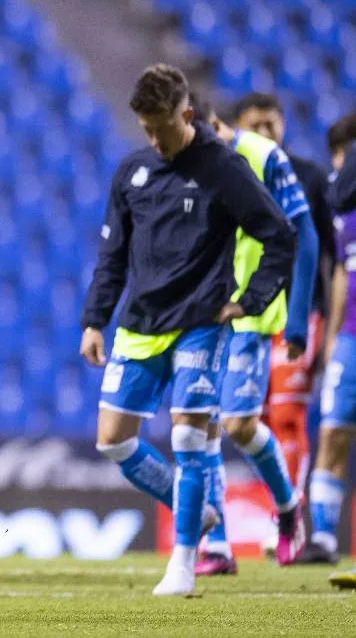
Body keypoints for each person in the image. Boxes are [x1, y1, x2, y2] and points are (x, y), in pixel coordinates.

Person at [80, 64, 295, 596]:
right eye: (146, 129)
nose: (155, 140)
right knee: (112, 441)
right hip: (141, 322)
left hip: (202, 321)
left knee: (187, 435)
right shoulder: (133, 170)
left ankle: (182, 563)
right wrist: (94, 320)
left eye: (163, 128)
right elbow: (112, 255)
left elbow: (279, 233)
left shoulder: (223, 168)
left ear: (188, 115)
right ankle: (190, 506)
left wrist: (250, 301)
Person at [190, 95, 317, 575]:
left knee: (240, 426)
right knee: (196, 425)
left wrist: (299, 318)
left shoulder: (263, 157)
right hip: (199, 312)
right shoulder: (181, 161)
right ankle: (217, 544)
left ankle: (287, 508)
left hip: (251, 311)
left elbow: (303, 235)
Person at [232, 94, 337, 533]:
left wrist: (328, 329)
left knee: (289, 417)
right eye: (254, 126)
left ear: (284, 125)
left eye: (270, 125)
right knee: (254, 421)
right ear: (239, 128)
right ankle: (284, 506)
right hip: (250, 315)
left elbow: (333, 260)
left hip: (300, 312)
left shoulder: (309, 178)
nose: (264, 134)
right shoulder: (230, 174)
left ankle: (287, 519)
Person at [305, 114, 356, 569]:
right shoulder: (344, 215)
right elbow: (341, 272)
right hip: (351, 341)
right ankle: (322, 538)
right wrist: (333, 336)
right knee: (333, 433)